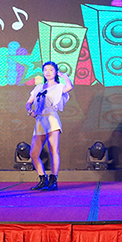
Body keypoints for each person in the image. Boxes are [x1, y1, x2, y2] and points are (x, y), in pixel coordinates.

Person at [25, 61, 74, 191]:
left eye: (51, 70)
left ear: (55, 72)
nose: (48, 72)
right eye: (46, 69)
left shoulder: (58, 87)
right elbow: (28, 103)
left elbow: (69, 87)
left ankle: (53, 180)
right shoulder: (38, 87)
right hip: (40, 120)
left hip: (51, 118)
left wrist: (64, 76)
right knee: (33, 153)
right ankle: (43, 179)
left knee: (53, 150)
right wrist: (30, 111)